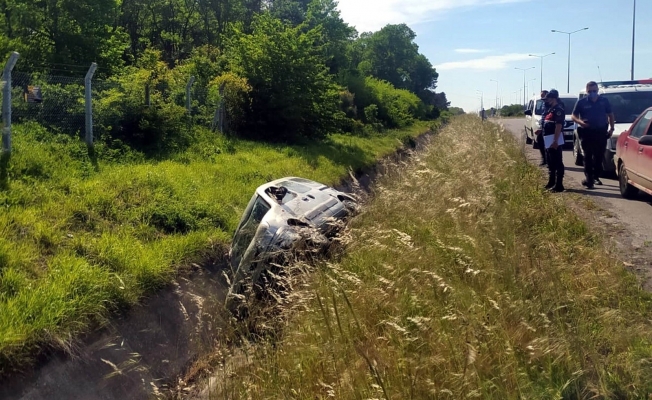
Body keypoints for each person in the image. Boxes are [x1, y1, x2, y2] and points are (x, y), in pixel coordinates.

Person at [571, 81, 615, 189]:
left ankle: (596, 176)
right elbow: (573, 116)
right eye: (590, 91)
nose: (592, 93)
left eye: (594, 91)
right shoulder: (581, 102)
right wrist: (580, 122)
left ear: (597, 90)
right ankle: (589, 179)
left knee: (599, 156)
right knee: (587, 156)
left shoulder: (604, 101)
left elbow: (610, 114)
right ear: (586, 91)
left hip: (601, 132)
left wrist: (612, 128)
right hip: (587, 132)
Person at [541, 89, 565, 192]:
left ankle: (559, 185)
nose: (546, 101)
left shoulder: (558, 110)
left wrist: (555, 141)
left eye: (548, 99)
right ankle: (551, 182)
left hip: (554, 139)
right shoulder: (550, 109)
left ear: (553, 99)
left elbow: (558, 126)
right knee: (550, 162)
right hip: (548, 139)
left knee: (557, 162)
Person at [535, 90, 549, 166]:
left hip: (548, 126)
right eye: (541, 96)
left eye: (543, 96)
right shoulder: (543, 104)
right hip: (543, 125)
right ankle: (544, 159)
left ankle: (548, 160)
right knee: (540, 141)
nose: (542, 98)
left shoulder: (550, 104)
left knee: (547, 144)